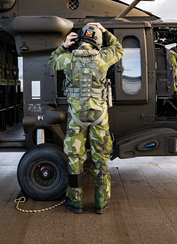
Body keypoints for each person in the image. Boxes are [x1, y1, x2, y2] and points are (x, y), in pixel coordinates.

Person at [48, 23, 123, 214]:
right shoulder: (104, 57)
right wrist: (106, 32)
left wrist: (64, 45)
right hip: (99, 115)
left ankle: (75, 202)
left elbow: (52, 61)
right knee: (101, 160)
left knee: (75, 160)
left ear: (80, 40)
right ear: (97, 40)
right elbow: (118, 49)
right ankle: (101, 203)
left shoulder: (68, 59)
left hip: (77, 116)